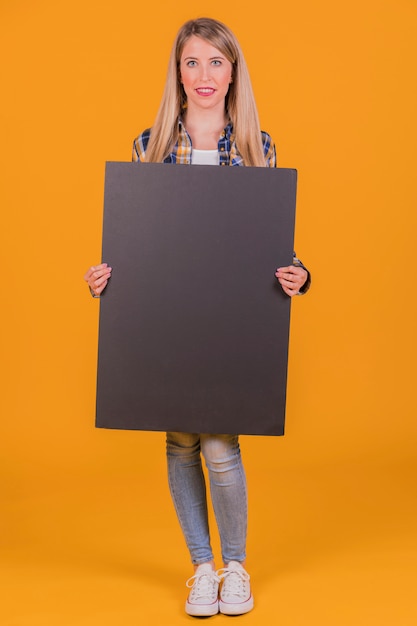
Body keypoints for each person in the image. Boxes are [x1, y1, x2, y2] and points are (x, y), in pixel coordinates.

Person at [84, 17, 310, 618]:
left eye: (216, 62)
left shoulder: (259, 148)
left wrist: (299, 274)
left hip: (228, 324)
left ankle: (235, 566)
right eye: (192, 62)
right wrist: (107, 277)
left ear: (232, 72)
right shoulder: (149, 146)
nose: (204, 75)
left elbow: (273, 247)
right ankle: (202, 569)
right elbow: (138, 247)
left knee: (219, 443)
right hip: (171, 323)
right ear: (178, 73)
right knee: (181, 441)